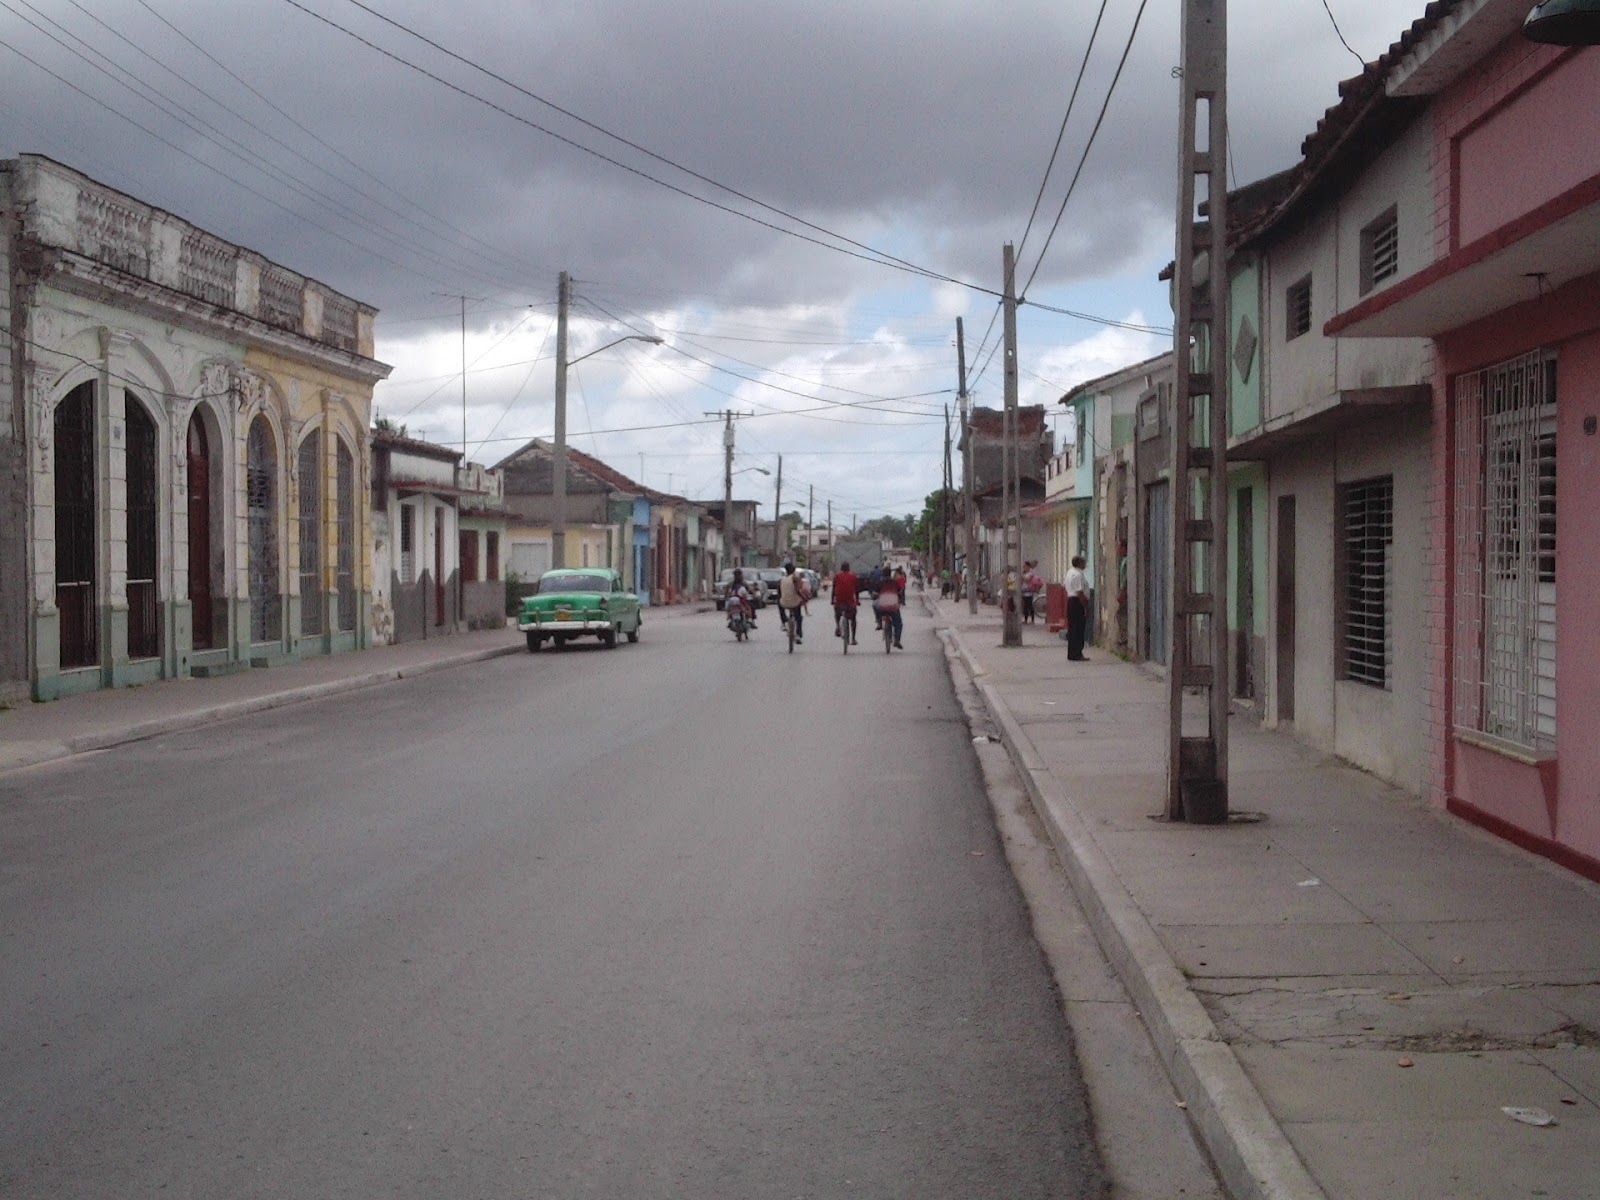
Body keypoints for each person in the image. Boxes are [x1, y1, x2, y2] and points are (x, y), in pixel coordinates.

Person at [874, 563, 905, 649]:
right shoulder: (894, 582)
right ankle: (897, 640)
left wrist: (875, 596)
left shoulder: (879, 583)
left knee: (874, 604)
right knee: (898, 623)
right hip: (893, 607)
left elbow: (874, 594)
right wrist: (900, 600)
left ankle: (879, 621)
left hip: (882, 607)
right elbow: (900, 592)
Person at [1065, 554, 1090, 660]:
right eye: (1084, 562)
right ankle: (1077, 653)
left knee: (1073, 628)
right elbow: (1079, 592)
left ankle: (1072, 653)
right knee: (1078, 628)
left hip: (1071, 601)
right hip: (1077, 602)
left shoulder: (1070, 572)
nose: (1086, 564)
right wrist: (1086, 606)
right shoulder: (1078, 575)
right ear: (1080, 563)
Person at [778, 561, 809, 643]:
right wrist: (804, 598)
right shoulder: (795, 578)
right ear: (794, 570)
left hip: (784, 603)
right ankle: (798, 634)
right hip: (794, 603)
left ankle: (784, 622)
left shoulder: (782, 580)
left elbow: (780, 593)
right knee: (798, 616)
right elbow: (798, 591)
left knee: (780, 604)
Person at [832, 560, 861, 643]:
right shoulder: (853, 577)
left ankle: (838, 626)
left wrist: (832, 600)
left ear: (841, 568)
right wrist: (857, 601)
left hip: (839, 603)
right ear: (849, 568)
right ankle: (853, 638)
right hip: (850, 603)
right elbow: (856, 590)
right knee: (853, 619)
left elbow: (834, 590)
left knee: (837, 613)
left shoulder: (837, 577)